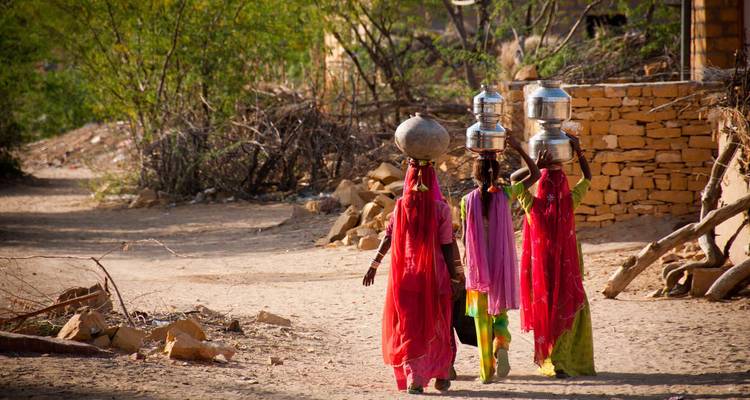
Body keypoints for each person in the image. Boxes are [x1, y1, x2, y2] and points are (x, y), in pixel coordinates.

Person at [363, 159, 462, 394]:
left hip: (406, 277)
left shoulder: (400, 207)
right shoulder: (442, 209)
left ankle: (415, 379)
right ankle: (441, 374)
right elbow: (448, 246)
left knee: (410, 327)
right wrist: (457, 276)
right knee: (438, 324)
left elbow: (387, 238)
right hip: (435, 277)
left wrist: (373, 265)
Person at [512, 133, 596, 379]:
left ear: (541, 186)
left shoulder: (532, 205)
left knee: (548, 310)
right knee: (569, 308)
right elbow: (587, 177)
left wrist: (532, 163)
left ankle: (552, 359)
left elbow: (514, 181)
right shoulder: (570, 202)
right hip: (568, 268)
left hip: (542, 273)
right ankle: (563, 361)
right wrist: (578, 150)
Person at [460, 136, 541, 384]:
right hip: (501, 267)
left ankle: (486, 372)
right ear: (497, 174)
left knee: (481, 321)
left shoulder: (466, 201)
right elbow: (535, 175)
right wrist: (519, 148)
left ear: (474, 175)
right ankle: (502, 345)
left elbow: (465, 236)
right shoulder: (505, 194)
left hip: (478, 270)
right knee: (500, 316)